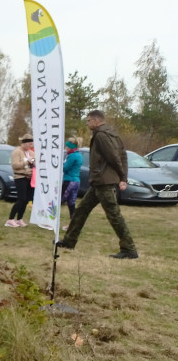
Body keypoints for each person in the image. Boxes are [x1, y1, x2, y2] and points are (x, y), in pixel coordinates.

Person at [57, 110, 137, 258]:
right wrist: (123, 175)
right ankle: (69, 241)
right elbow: (123, 156)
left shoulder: (100, 135)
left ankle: (129, 249)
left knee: (114, 215)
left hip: (103, 181)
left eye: (88, 121)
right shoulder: (114, 134)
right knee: (81, 210)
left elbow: (114, 157)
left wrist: (122, 177)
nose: (87, 124)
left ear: (95, 121)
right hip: (99, 182)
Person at [5, 135, 35, 227]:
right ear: (24, 143)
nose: (31, 146)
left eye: (31, 144)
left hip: (30, 178)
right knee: (21, 199)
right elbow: (15, 165)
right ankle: (10, 219)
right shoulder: (17, 152)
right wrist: (26, 161)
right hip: (20, 177)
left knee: (26, 200)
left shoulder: (31, 152)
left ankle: (19, 219)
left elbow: (35, 163)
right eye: (29, 144)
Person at [60, 136, 83, 228]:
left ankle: (51, 221)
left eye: (66, 147)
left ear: (70, 147)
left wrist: (61, 164)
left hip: (69, 181)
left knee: (59, 201)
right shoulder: (79, 155)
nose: (65, 149)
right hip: (76, 182)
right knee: (71, 203)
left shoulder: (72, 156)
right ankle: (73, 225)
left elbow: (65, 168)